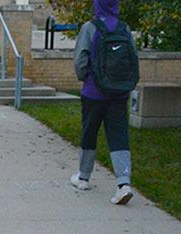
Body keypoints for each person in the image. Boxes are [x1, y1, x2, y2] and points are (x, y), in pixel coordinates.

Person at [70, 0, 136, 205]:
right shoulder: (124, 28)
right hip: (119, 93)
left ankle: (83, 177)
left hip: (94, 92)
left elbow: (81, 59)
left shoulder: (90, 28)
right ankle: (123, 182)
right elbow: (133, 58)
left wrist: (84, 78)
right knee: (118, 135)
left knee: (90, 131)